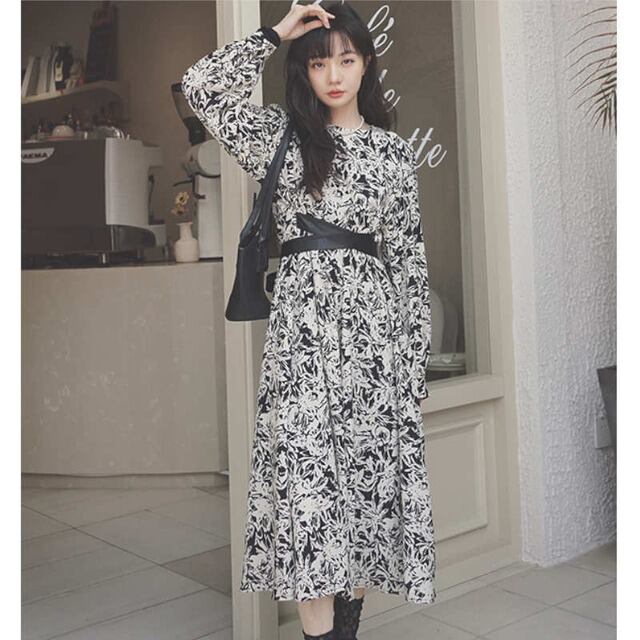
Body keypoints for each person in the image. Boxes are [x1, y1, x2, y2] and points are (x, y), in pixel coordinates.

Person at [181, 2, 436, 638]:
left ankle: (346, 629)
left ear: (366, 63)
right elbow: (200, 88)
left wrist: (410, 371)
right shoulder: (280, 136)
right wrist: (277, 32)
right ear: (305, 72)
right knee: (309, 499)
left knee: (360, 505)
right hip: (301, 344)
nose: (335, 75)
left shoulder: (391, 154)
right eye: (320, 63)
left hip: (373, 347)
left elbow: (409, 266)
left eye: (346, 59)